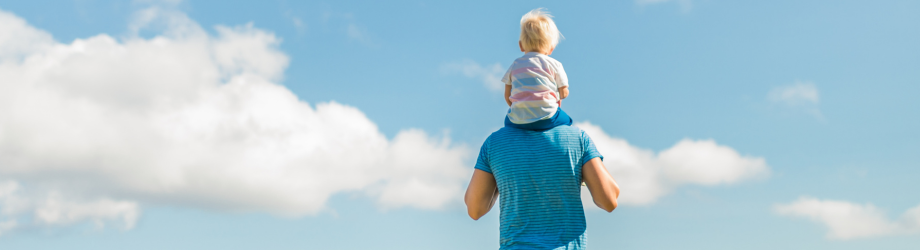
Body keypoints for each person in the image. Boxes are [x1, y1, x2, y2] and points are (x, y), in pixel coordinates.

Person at [464, 124, 620, 249]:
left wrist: (505, 175)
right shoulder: (578, 139)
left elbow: (475, 209)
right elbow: (608, 200)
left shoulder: (495, 143)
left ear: (510, 97)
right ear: (558, 97)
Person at [502, 8, 572, 131]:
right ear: (551, 48)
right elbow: (564, 93)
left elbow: (507, 95)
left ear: (521, 45)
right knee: (567, 121)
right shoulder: (555, 64)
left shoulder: (515, 64)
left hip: (518, 119)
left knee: (507, 122)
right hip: (547, 117)